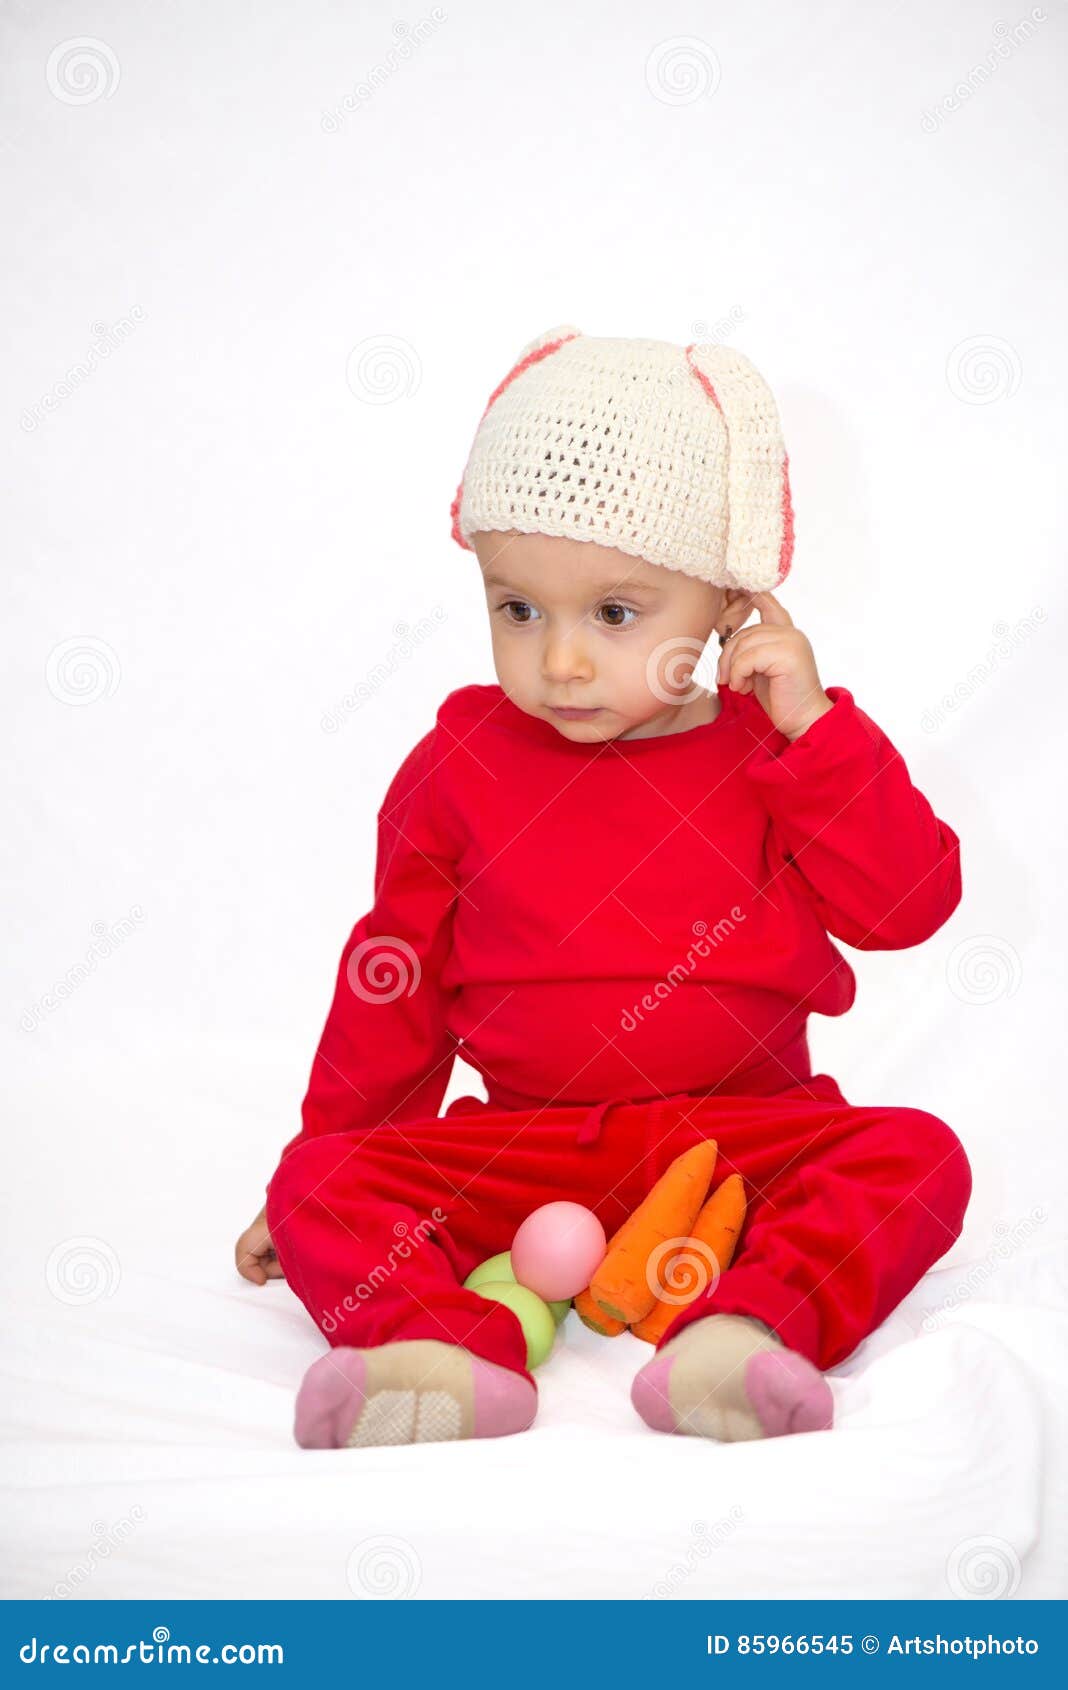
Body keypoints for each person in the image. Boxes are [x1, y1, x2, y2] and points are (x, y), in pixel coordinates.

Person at [234, 326, 972, 1451]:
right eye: (517, 608)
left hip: (740, 1144)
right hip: (524, 1155)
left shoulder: (774, 748)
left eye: (614, 614)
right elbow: (394, 990)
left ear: (728, 606)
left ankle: (745, 1335)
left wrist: (816, 736)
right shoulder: (458, 768)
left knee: (919, 1157)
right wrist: (335, 1173)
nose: (560, 661)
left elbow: (905, 905)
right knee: (318, 1177)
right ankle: (434, 1351)